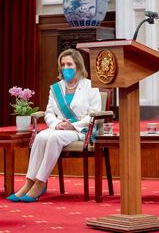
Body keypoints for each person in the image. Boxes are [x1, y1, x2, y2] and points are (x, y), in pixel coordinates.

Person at [7, 49, 101, 203]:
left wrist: (72, 126)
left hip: (82, 130)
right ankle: (29, 182)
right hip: (60, 129)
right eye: (62, 65)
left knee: (54, 138)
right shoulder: (55, 88)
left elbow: (94, 113)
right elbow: (49, 113)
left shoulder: (90, 86)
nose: (66, 68)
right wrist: (57, 124)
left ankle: (40, 183)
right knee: (40, 137)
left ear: (78, 65)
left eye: (69, 64)